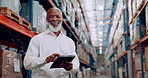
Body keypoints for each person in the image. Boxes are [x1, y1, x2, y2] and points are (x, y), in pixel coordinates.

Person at [23, 7, 80, 78]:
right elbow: (27, 64)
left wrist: (71, 67)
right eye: (51, 17)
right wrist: (45, 60)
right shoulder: (37, 39)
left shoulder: (69, 42)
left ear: (62, 19)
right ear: (46, 19)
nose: (55, 19)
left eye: (58, 17)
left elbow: (76, 65)